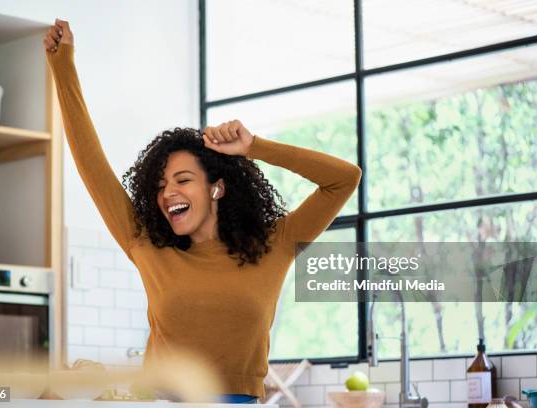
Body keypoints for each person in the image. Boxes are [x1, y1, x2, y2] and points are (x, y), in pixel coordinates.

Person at [43, 19, 362, 404]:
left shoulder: (273, 245)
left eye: (182, 180)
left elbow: (344, 179)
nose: (168, 193)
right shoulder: (148, 246)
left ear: (217, 187)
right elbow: (91, 163)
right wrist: (63, 66)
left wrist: (254, 146)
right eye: (160, 185)